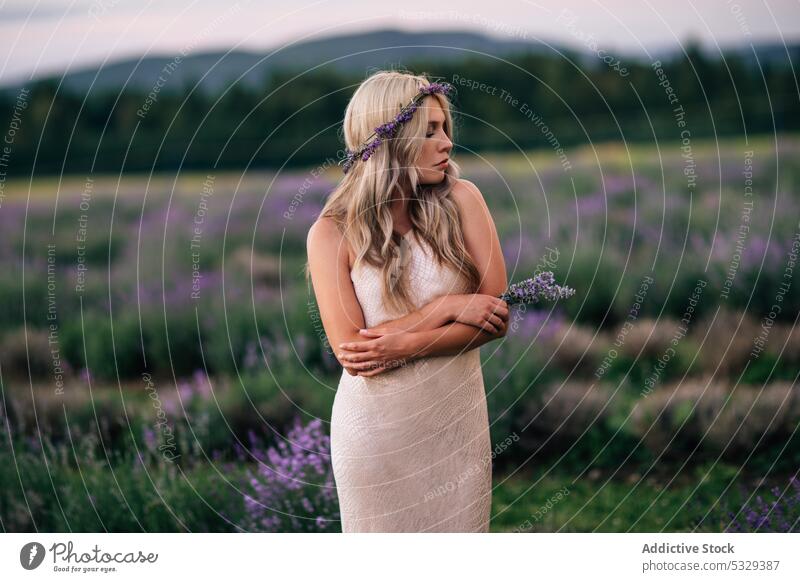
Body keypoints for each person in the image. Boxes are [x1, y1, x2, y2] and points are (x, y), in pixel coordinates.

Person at [305, 70, 509, 532]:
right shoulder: (331, 232)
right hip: (376, 436)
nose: (446, 143)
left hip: (458, 431)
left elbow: (495, 317)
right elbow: (354, 352)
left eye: (445, 129)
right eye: (429, 131)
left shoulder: (463, 200)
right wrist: (445, 308)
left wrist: (398, 343)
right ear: (391, 139)